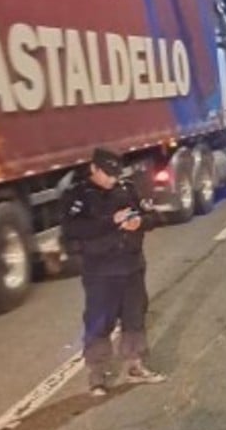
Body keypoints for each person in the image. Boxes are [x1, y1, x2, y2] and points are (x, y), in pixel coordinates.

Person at [61, 148, 166, 397]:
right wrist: (112, 220)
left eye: (116, 174)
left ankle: (135, 365)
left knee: (134, 317)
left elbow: (154, 217)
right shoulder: (79, 196)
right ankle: (97, 375)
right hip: (100, 271)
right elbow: (72, 231)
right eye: (107, 174)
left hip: (131, 266)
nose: (112, 179)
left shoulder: (127, 189)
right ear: (93, 169)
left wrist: (141, 222)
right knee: (99, 322)